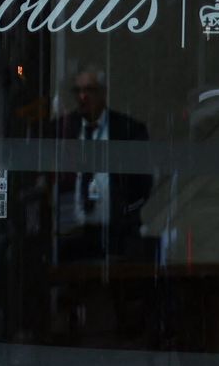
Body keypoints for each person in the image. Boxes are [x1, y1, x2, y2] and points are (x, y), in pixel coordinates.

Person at [54, 64, 153, 261]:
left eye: (89, 90)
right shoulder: (62, 130)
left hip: (117, 235)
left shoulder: (128, 130)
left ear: (103, 93)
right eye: (78, 91)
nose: (83, 97)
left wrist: (125, 213)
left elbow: (143, 185)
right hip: (72, 235)